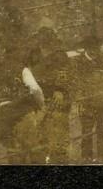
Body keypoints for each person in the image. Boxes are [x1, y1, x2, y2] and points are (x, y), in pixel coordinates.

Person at [0, 45, 45, 162]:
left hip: (5, 116)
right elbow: (35, 89)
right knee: (34, 148)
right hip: (23, 113)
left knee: (13, 151)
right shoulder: (23, 70)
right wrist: (41, 103)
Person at [30, 27, 74, 163]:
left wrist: (59, 90)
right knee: (41, 133)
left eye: (45, 39)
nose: (42, 42)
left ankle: (60, 160)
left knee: (59, 133)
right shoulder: (34, 55)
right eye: (40, 39)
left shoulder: (59, 55)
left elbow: (65, 73)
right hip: (39, 99)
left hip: (57, 99)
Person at [74, 33, 103, 163]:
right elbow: (75, 82)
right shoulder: (77, 62)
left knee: (102, 129)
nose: (95, 51)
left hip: (102, 99)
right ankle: (86, 157)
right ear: (86, 48)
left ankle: (101, 156)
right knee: (87, 130)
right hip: (86, 101)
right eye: (91, 48)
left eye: (97, 47)